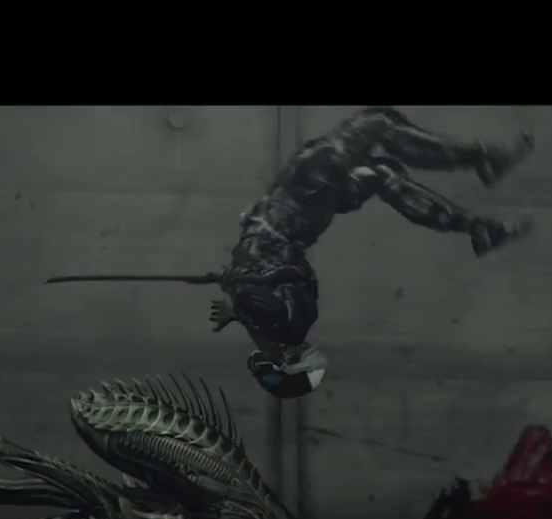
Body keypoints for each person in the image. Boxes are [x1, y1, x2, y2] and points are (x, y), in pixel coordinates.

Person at [209, 107, 535, 399]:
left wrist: (240, 303)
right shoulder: (283, 327)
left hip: (290, 219)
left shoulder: (272, 329)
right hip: (289, 215)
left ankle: (478, 225)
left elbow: (282, 288)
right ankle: (484, 161)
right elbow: (297, 279)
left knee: (381, 174)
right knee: (375, 124)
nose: (308, 355)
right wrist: (245, 292)